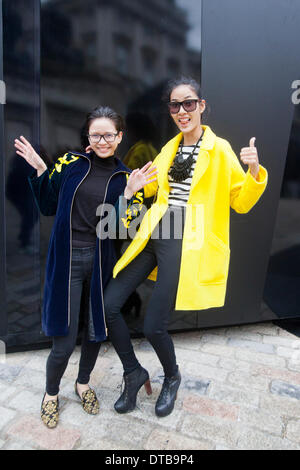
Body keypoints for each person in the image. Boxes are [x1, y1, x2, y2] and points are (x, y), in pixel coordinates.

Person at [104, 76, 268, 418]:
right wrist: (133, 188)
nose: (182, 111)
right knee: (109, 306)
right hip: (156, 230)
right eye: (175, 105)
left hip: (186, 239)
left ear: (201, 106)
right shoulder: (169, 148)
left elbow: (239, 201)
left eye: (189, 103)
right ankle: (134, 373)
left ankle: (173, 377)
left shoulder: (219, 149)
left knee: (153, 326)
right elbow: (152, 190)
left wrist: (253, 171)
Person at [14, 105, 156, 428]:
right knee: (63, 340)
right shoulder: (71, 163)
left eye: (109, 134)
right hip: (66, 261)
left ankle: (82, 384)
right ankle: (51, 394)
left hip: (100, 262)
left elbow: (124, 230)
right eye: (96, 134)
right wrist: (40, 169)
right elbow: (48, 205)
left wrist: (131, 194)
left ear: (120, 137)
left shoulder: (124, 177)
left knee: (94, 332)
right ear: (88, 137)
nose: (103, 140)